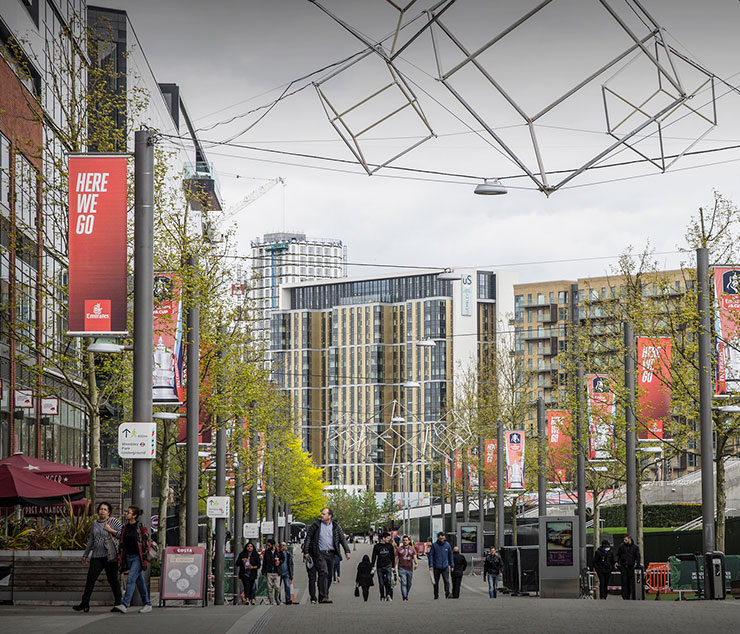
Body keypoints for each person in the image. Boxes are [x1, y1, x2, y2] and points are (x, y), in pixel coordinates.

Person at [74, 501, 123, 612]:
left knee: (113, 580)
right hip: (96, 556)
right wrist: (85, 554)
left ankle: (118, 603)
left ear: (109, 512)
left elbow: (122, 534)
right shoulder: (95, 523)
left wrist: (111, 530)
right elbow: (91, 539)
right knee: (90, 579)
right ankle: (84, 603)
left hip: (110, 556)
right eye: (101, 509)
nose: (102, 511)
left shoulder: (113, 521)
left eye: (105, 509)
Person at [302, 507, 351, 604]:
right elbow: (308, 538)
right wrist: (306, 551)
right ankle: (324, 596)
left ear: (329, 516)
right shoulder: (316, 525)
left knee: (329, 576)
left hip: (331, 553)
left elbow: (342, 539)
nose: (322, 515)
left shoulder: (335, 526)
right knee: (323, 572)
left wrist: (347, 551)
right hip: (320, 553)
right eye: (322, 513)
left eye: (324, 514)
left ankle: (322, 595)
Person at [111, 506, 152, 614]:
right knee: (139, 581)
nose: (126, 513)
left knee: (130, 579)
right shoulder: (125, 527)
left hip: (138, 558)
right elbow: (121, 541)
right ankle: (147, 603)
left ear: (134, 516)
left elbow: (147, 541)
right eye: (126, 512)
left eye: (128, 512)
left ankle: (124, 605)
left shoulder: (140, 527)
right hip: (128, 557)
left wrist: (144, 555)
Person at [428, 532, 454, 600]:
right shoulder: (434, 545)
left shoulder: (447, 545)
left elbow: (450, 555)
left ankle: (447, 593)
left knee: (446, 581)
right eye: (440, 538)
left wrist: (452, 565)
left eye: (442, 538)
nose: (441, 539)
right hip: (437, 566)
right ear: (438, 538)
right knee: (436, 582)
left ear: (444, 537)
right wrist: (431, 565)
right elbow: (431, 555)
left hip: (445, 566)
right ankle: (436, 594)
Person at [371, 532, 396, 601]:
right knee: (381, 583)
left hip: (388, 565)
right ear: (383, 538)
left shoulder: (390, 546)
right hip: (380, 566)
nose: (388, 539)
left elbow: (392, 556)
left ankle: (388, 594)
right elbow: (374, 557)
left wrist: (393, 566)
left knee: (388, 581)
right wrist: (372, 566)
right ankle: (382, 595)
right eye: (387, 538)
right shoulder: (377, 546)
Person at [616, 535, 641, 600]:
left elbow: (637, 557)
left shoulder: (635, 547)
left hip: (631, 566)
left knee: (630, 582)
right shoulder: (622, 546)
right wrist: (616, 561)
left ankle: (630, 595)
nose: (624, 541)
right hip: (623, 566)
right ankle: (625, 596)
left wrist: (638, 566)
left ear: (629, 539)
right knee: (624, 581)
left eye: (626, 540)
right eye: (624, 540)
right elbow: (618, 554)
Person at [261, 538, 284, 605]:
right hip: (269, 572)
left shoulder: (279, 551)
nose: (268, 546)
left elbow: (283, 558)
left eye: (269, 545)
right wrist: (263, 572)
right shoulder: (267, 552)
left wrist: (279, 562)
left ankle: (276, 598)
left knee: (277, 587)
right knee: (269, 588)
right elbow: (264, 562)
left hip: (277, 572)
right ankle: (272, 601)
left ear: (273, 545)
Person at [395, 534, 418, 601]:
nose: (405, 541)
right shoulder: (399, 549)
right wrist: (394, 567)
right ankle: (404, 596)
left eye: (406, 540)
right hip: (401, 568)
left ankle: (406, 593)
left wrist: (416, 563)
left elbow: (415, 557)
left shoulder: (412, 549)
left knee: (409, 583)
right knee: (403, 582)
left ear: (409, 541)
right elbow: (396, 558)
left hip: (409, 568)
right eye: (404, 540)